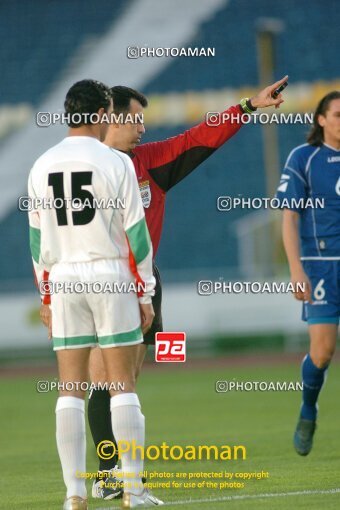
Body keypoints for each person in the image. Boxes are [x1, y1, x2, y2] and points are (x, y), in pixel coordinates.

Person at [57, 77, 286, 501]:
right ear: (108, 118)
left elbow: (200, 136)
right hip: (98, 283)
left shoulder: (149, 162)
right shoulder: (79, 169)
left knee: (125, 383)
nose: (143, 128)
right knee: (104, 381)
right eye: (135, 119)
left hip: (142, 282)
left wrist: (249, 106)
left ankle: (117, 477)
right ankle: (114, 478)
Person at [29, 79, 163, 509]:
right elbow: (136, 235)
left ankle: (74, 496)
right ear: (103, 113)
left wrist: (47, 296)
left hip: (65, 277)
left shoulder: (41, 165)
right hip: (109, 274)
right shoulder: (116, 162)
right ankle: (134, 492)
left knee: (70, 387)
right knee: (122, 384)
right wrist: (146, 291)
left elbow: (36, 244)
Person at [277, 91, 340, 455]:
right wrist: (296, 268)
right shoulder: (304, 158)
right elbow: (289, 216)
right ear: (321, 120)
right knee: (323, 353)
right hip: (321, 267)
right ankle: (308, 407)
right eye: (337, 114)